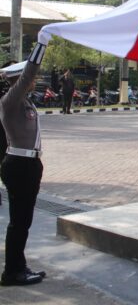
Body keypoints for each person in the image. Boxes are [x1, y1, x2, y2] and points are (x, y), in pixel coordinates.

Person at [1, 37, 49, 286]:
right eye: (30, 77)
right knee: (19, 221)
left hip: (29, 165)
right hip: (19, 165)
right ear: (17, 80)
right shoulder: (11, 100)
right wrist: (42, 45)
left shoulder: (24, 102)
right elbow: (30, 69)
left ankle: (19, 265)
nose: (34, 80)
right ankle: (12, 272)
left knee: (24, 220)